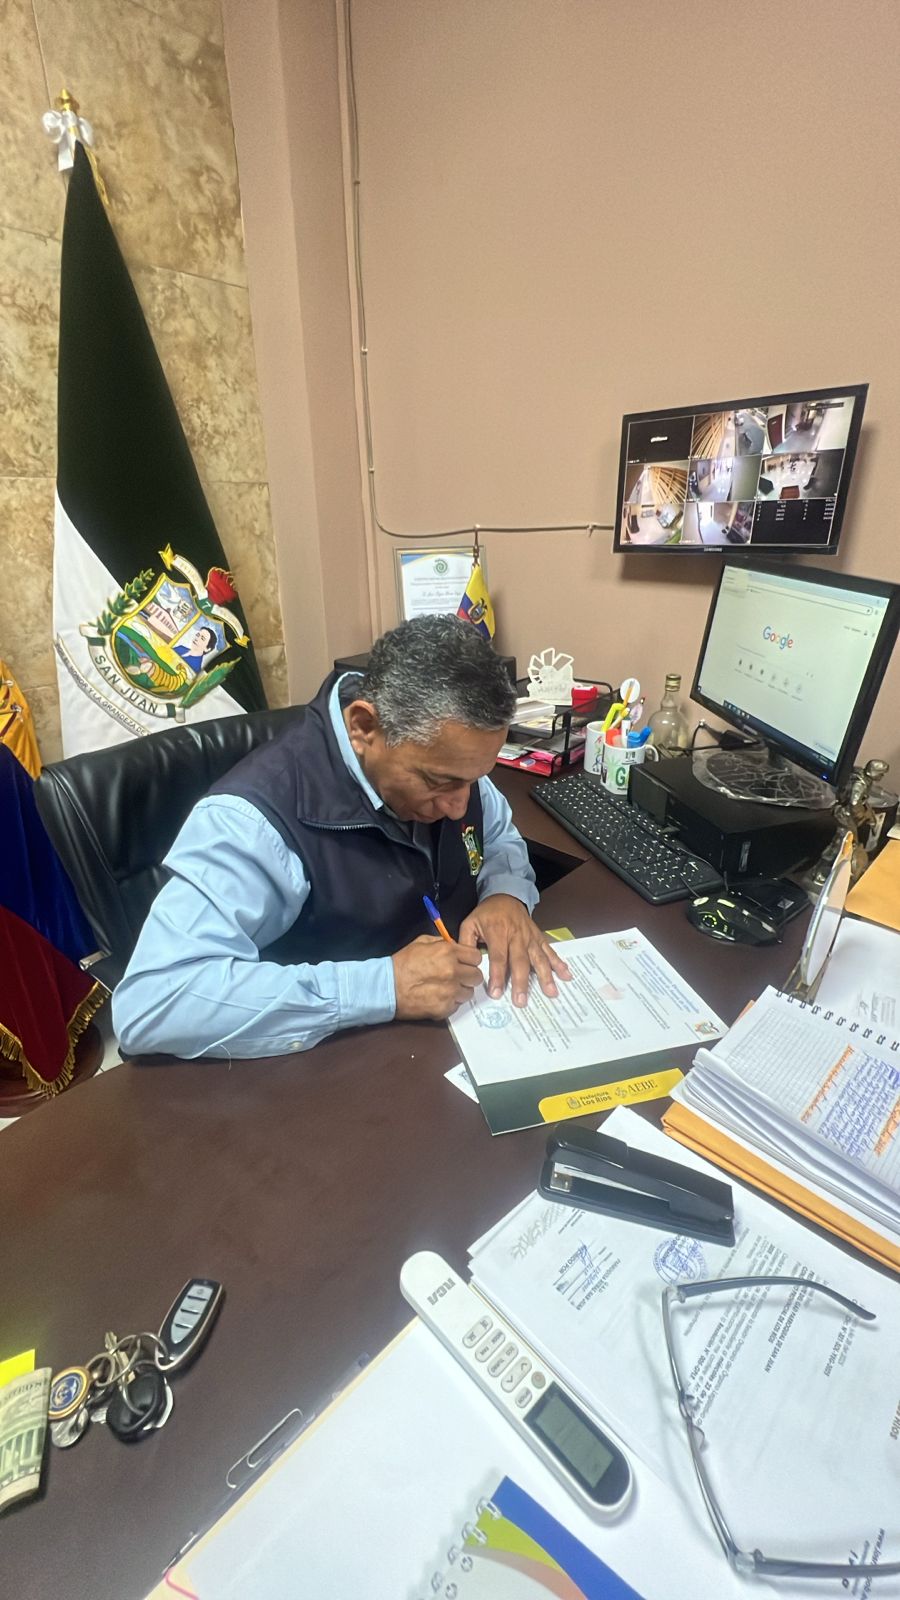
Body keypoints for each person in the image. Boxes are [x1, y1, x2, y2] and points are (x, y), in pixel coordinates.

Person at [112, 614, 571, 1059]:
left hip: (444, 1038)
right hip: (323, 1070)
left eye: (476, 777)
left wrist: (505, 894)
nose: (459, 804)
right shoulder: (251, 821)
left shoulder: (449, 761)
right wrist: (383, 987)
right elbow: (152, 1005)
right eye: (438, 782)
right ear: (363, 728)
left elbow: (497, 834)